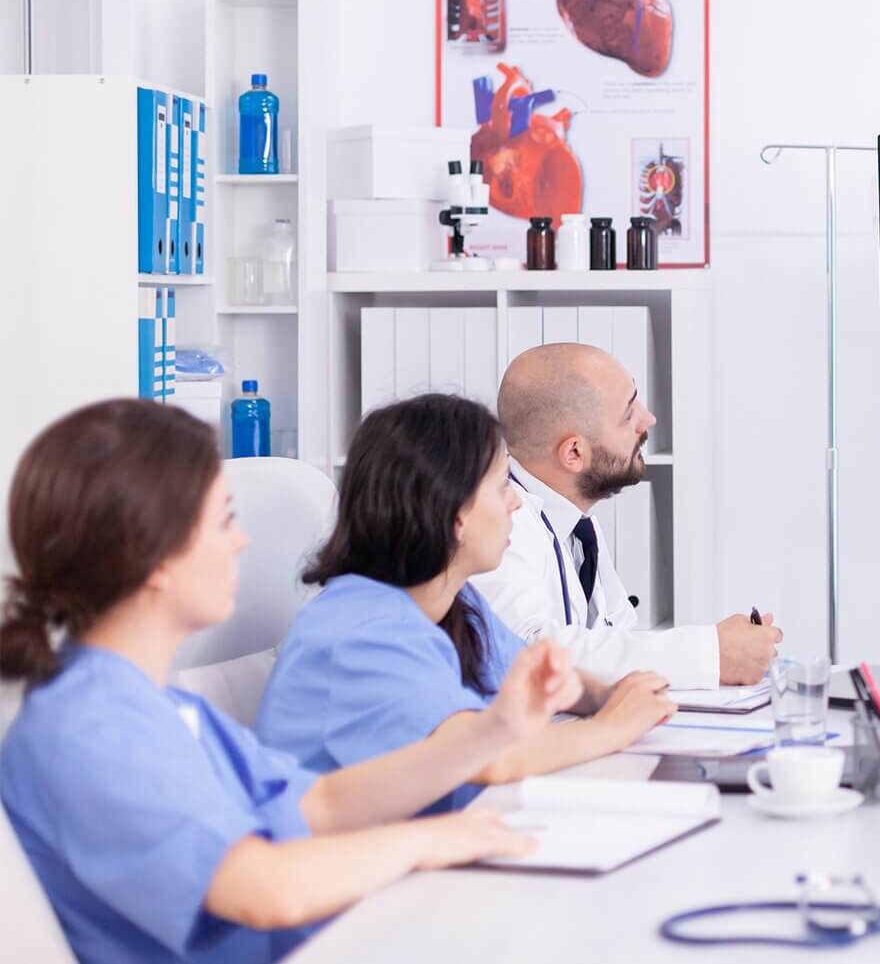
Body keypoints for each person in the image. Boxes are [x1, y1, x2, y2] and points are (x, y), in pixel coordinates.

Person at [0, 399, 582, 964]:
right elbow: (263, 889)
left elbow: (321, 802)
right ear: (155, 558)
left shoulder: (160, 708)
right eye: (224, 520)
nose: (241, 540)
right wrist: (432, 842)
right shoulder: (90, 731)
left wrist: (495, 731)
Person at [256, 394, 676, 812]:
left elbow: (546, 683)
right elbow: (483, 756)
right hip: (353, 865)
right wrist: (612, 727)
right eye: (501, 486)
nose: (516, 502)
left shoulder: (457, 601)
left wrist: (611, 694)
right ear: (455, 515)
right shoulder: (363, 632)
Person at [468, 343, 781, 689]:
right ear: (574, 452)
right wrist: (712, 653)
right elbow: (523, 652)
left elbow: (617, 636)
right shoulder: (498, 526)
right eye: (629, 413)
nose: (648, 420)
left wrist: (724, 649)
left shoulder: (577, 522)